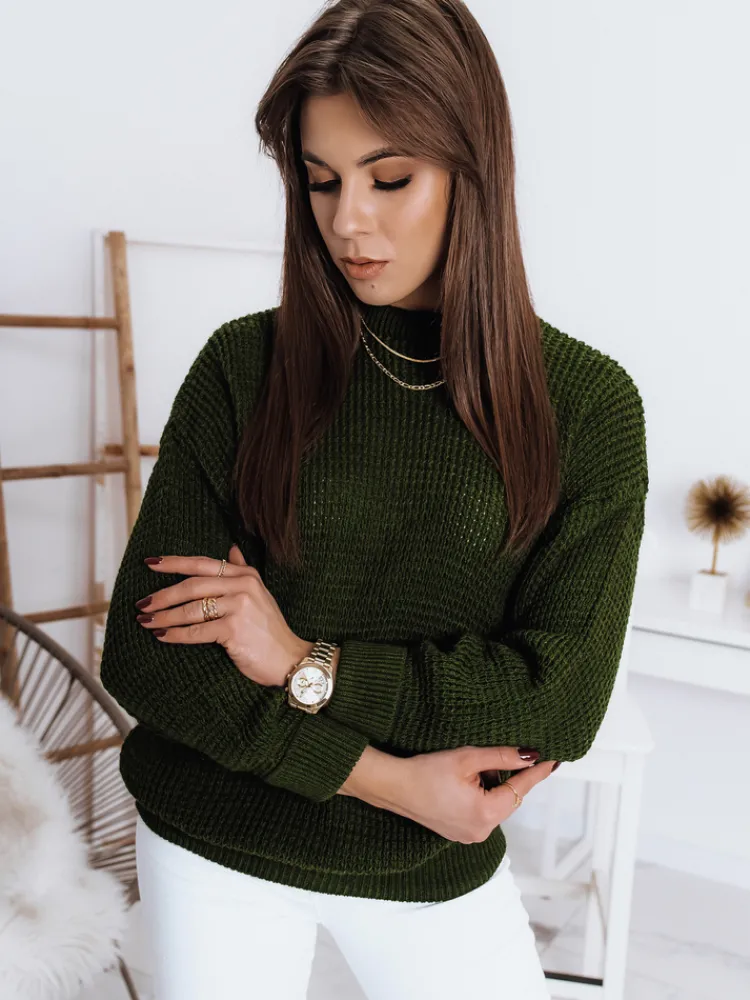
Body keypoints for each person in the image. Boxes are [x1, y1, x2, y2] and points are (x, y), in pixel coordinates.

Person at [99, 1, 649, 998]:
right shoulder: (243, 367)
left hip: (428, 866)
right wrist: (389, 779)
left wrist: (303, 661)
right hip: (215, 840)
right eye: (322, 180)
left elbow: (557, 699)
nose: (348, 219)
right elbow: (148, 657)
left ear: (474, 168)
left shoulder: (587, 408)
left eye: (389, 178)